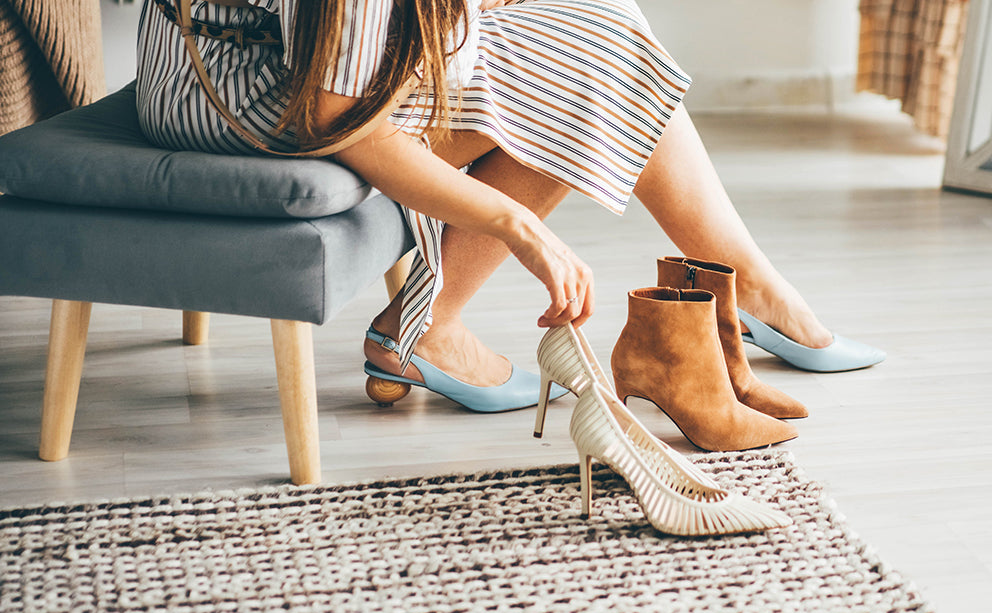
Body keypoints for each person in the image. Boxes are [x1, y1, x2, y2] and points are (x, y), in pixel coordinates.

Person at [136, 0, 884, 416]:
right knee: (587, 70)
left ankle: (745, 281)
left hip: (280, 53)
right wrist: (515, 223)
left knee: (602, 27)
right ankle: (428, 329)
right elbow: (336, 117)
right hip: (241, 91)